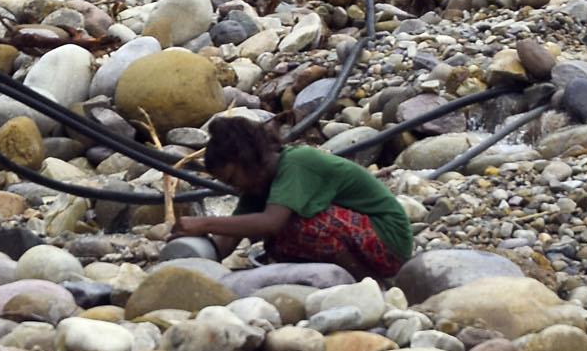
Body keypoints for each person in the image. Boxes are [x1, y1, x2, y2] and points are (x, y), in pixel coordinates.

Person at [172, 114, 413, 281]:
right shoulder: (258, 186)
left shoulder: (297, 162)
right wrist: (189, 252)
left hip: (388, 240)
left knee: (296, 226)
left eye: (233, 178)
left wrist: (203, 222)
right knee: (279, 240)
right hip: (363, 242)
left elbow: (271, 222)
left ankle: (368, 282)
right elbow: (224, 245)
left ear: (245, 160)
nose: (235, 187)